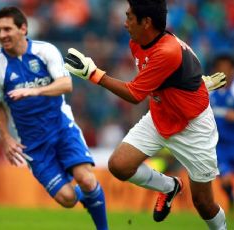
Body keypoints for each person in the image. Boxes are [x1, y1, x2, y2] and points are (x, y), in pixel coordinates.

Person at [63, 0, 227, 229]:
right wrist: (196, 84)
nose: (125, 23)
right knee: (119, 165)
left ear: (146, 22)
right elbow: (163, 78)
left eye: (130, 17)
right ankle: (170, 187)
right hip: (160, 115)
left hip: (193, 127)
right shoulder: (137, 42)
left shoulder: (167, 50)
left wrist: (94, 74)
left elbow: (134, 94)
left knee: (204, 203)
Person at [0, 6, 108, 229]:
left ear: (23, 28)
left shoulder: (46, 51)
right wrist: (6, 138)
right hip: (33, 144)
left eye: (7, 29)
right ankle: (90, 199)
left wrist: (34, 91)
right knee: (68, 199)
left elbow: (66, 84)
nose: (2, 35)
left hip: (61, 128)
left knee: (87, 179)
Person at [209, 54, 234, 211]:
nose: (224, 71)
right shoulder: (209, 94)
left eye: (227, 68)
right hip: (219, 147)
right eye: (221, 68)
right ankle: (231, 201)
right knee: (224, 180)